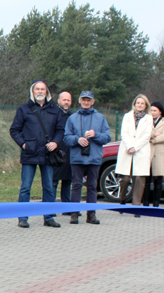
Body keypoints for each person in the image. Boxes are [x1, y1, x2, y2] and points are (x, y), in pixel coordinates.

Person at [10, 79, 65, 228]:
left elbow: (61, 130)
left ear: (47, 92)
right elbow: (14, 130)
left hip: (48, 154)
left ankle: (48, 217)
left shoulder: (55, 110)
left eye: (43, 89)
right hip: (30, 153)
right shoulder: (24, 109)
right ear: (32, 92)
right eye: (37, 89)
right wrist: (24, 144)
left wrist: (56, 142)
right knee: (26, 187)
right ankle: (22, 217)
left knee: (48, 187)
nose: (40, 92)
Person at [63, 91, 112, 224]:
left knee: (92, 186)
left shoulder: (100, 118)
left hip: (94, 157)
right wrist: (77, 140)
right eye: (84, 99)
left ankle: (91, 215)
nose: (86, 102)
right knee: (76, 185)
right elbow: (66, 138)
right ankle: (74, 214)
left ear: (93, 102)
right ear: (79, 101)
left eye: (88, 100)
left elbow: (107, 137)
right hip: (77, 158)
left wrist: (95, 135)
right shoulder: (72, 118)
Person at [116, 94, 154, 209]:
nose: (140, 105)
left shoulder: (149, 118)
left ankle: (136, 206)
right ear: (134, 104)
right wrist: (129, 147)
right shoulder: (127, 116)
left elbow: (147, 136)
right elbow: (124, 133)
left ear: (145, 105)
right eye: (138, 103)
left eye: (142, 103)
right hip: (127, 150)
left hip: (141, 151)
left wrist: (135, 147)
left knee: (139, 180)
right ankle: (122, 199)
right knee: (125, 179)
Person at [53, 92, 73, 210]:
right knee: (53, 182)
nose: (66, 102)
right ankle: (50, 209)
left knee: (67, 182)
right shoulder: (53, 114)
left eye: (68, 100)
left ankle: (66, 208)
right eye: (64, 100)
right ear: (59, 101)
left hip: (69, 153)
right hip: (56, 153)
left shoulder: (72, 116)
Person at [147, 102, 164, 207]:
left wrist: (153, 140)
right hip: (148, 153)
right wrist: (153, 134)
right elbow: (144, 134)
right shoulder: (147, 121)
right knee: (146, 180)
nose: (152, 113)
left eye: (155, 110)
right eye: (151, 110)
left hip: (159, 153)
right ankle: (145, 203)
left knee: (158, 180)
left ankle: (156, 204)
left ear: (160, 112)